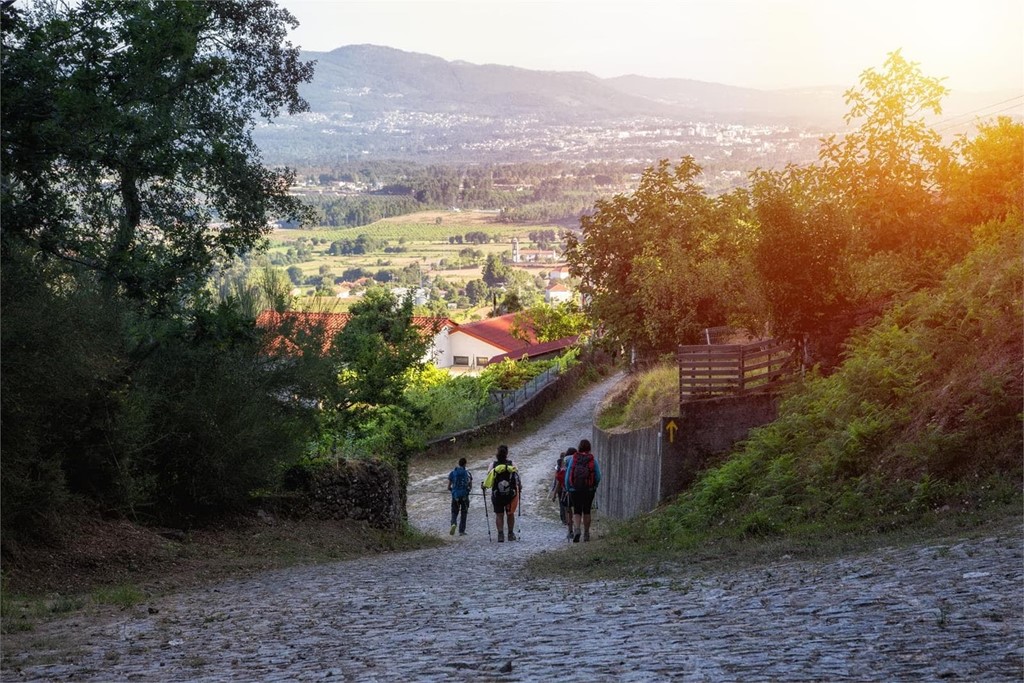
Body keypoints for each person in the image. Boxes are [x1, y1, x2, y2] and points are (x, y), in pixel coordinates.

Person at [563, 439, 601, 542]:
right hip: (589, 489)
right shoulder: (592, 460)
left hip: (574, 490)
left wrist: (568, 488)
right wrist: (594, 486)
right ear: (589, 448)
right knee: (587, 510)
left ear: (579, 447)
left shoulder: (573, 459)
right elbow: (598, 476)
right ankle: (587, 534)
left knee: (577, 511)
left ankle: (577, 530)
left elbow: (567, 476)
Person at [481, 445, 520, 542]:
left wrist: (484, 486)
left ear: (497, 453)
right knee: (510, 514)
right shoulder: (512, 464)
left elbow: (488, 478)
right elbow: (517, 477)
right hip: (510, 494)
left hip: (497, 494)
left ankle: (500, 535)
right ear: (507, 453)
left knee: (499, 515)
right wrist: (520, 486)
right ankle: (510, 534)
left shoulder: (493, 465)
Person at [551, 447, 575, 540]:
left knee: (567, 509)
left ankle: (570, 530)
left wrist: (554, 494)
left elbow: (558, 482)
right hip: (578, 489)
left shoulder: (564, 465)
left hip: (566, 489)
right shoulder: (576, 462)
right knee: (577, 510)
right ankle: (579, 529)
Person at [447, 457, 473, 536]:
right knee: (464, 513)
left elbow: (448, 487)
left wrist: (453, 491)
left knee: (454, 512)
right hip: (464, 496)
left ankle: (453, 523)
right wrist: (467, 491)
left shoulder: (453, 473)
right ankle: (461, 531)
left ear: (459, 464)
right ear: (465, 464)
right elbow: (470, 486)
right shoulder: (468, 473)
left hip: (455, 496)